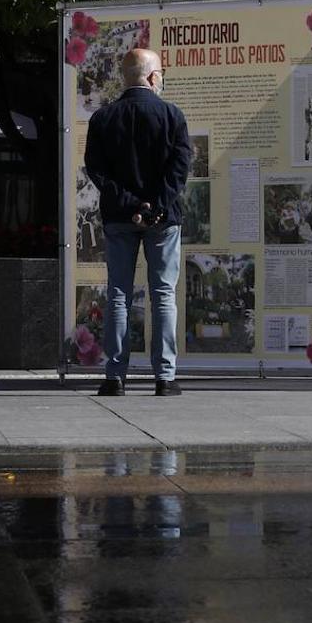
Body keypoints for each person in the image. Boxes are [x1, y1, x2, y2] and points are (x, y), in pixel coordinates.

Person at [84, 48, 192, 396]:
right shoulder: (172, 115)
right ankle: (165, 378)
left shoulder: (102, 119)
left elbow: (97, 170)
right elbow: (179, 169)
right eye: (161, 73)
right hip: (164, 220)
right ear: (152, 77)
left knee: (118, 294)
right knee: (163, 294)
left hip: (119, 217)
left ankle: (114, 377)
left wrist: (131, 205)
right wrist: (156, 206)